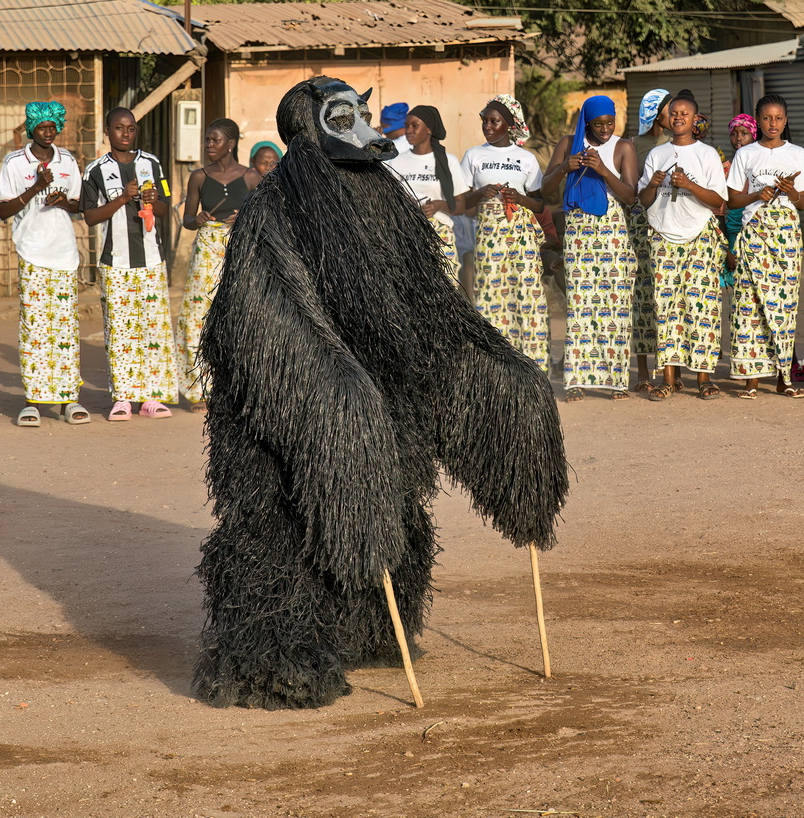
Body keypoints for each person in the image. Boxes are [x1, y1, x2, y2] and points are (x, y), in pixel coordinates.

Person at [195, 76, 566, 709]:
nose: (366, 126)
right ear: (313, 129)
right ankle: (276, 656)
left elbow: (434, 309)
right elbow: (268, 315)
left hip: (385, 404)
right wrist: (337, 389)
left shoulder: (384, 201)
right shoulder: (274, 210)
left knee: (393, 503)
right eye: (346, 116)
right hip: (290, 421)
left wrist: (508, 378)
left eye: (362, 113)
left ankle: (369, 629)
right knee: (286, 526)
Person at [0, 101, 91, 427]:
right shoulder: (14, 162)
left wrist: (63, 201)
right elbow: (4, 210)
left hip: (64, 253)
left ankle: (69, 400)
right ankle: (33, 401)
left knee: (65, 328)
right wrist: (36, 187)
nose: (48, 133)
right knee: (35, 329)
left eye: (53, 127)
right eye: (42, 128)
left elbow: (80, 204)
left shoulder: (67, 160)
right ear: (30, 128)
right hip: (32, 252)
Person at [82, 107, 178, 421]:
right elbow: (90, 216)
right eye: (119, 128)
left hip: (151, 260)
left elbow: (165, 208)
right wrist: (123, 198)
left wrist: (154, 200)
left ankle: (151, 397)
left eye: (131, 128)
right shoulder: (95, 170)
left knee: (153, 330)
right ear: (107, 131)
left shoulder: (152, 164)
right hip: (116, 262)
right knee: (120, 331)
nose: (126, 133)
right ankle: (123, 398)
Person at [542, 94, 638, 401]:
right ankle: (576, 380)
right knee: (581, 306)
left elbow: (630, 195)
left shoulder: (623, 147)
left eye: (611, 122)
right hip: (580, 232)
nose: (606, 129)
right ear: (587, 121)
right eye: (598, 124)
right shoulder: (568, 143)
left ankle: (614, 380)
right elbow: (544, 189)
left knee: (615, 307)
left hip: (612, 233)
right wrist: (564, 168)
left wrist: (604, 170)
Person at [637, 90, 729, 401]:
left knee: (700, 308)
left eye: (684, 114)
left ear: (694, 119)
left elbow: (719, 200)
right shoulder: (656, 155)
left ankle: (703, 378)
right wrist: (652, 184)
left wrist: (689, 184)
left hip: (699, 236)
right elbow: (644, 201)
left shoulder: (706, 155)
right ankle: (668, 378)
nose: (678, 117)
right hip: (663, 236)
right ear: (666, 118)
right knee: (667, 309)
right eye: (673, 113)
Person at [727, 94, 804, 398]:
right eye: (766, 118)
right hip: (754, 235)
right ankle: (751, 380)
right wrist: (756, 196)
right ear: (758, 120)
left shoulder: (797, 154)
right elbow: (732, 200)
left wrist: (790, 193)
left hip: (787, 237)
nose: (772, 124)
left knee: (784, 308)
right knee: (749, 306)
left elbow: (803, 203)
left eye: (778, 118)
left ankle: (783, 379)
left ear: (786, 120)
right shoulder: (745, 154)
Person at [461, 95, 549, 371]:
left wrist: (519, 199)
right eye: (484, 120)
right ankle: (495, 368)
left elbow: (540, 204)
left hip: (521, 239)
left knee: (528, 298)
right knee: (490, 299)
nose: (487, 125)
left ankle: (534, 368)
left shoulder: (526, 159)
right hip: (489, 240)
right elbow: (461, 205)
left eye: (494, 121)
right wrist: (479, 194)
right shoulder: (474, 156)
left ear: (509, 125)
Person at [177, 119, 259, 412]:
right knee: (195, 318)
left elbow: (265, 219)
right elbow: (187, 220)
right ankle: (199, 389)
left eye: (215, 141)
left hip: (238, 254)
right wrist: (195, 220)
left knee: (238, 317)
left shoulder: (251, 178)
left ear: (231, 144)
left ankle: (237, 387)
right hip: (206, 253)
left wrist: (245, 220)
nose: (209, 146)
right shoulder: (198, 177)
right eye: (207, 141)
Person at [391, 105, 469, 284]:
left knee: (445, 290)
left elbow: (461, 206)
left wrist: (439, 205)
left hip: (441, 235)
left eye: (414, 126)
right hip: (407, 234)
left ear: (429, 129)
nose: (408, 130)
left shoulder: (448, 162)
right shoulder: (396, 162)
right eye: (407, 125)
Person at [630, 88, 673, 392]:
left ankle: (674, 370)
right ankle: (643, 371)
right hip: (640, 224)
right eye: (671, 110)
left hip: (672, 223)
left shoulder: (679, 143)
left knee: (670, 295)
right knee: (643, 296)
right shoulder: (634, 145)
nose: (676, 115)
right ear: (656, 113)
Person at [721, 113, 758, 288]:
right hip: (733, 233)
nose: (739, 138)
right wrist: (728, 248)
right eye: (734, 134)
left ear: (754, 135)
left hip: (757, 231)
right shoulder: (725, 168)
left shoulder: (760, 166)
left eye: (744, 133)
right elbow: (719, 210)